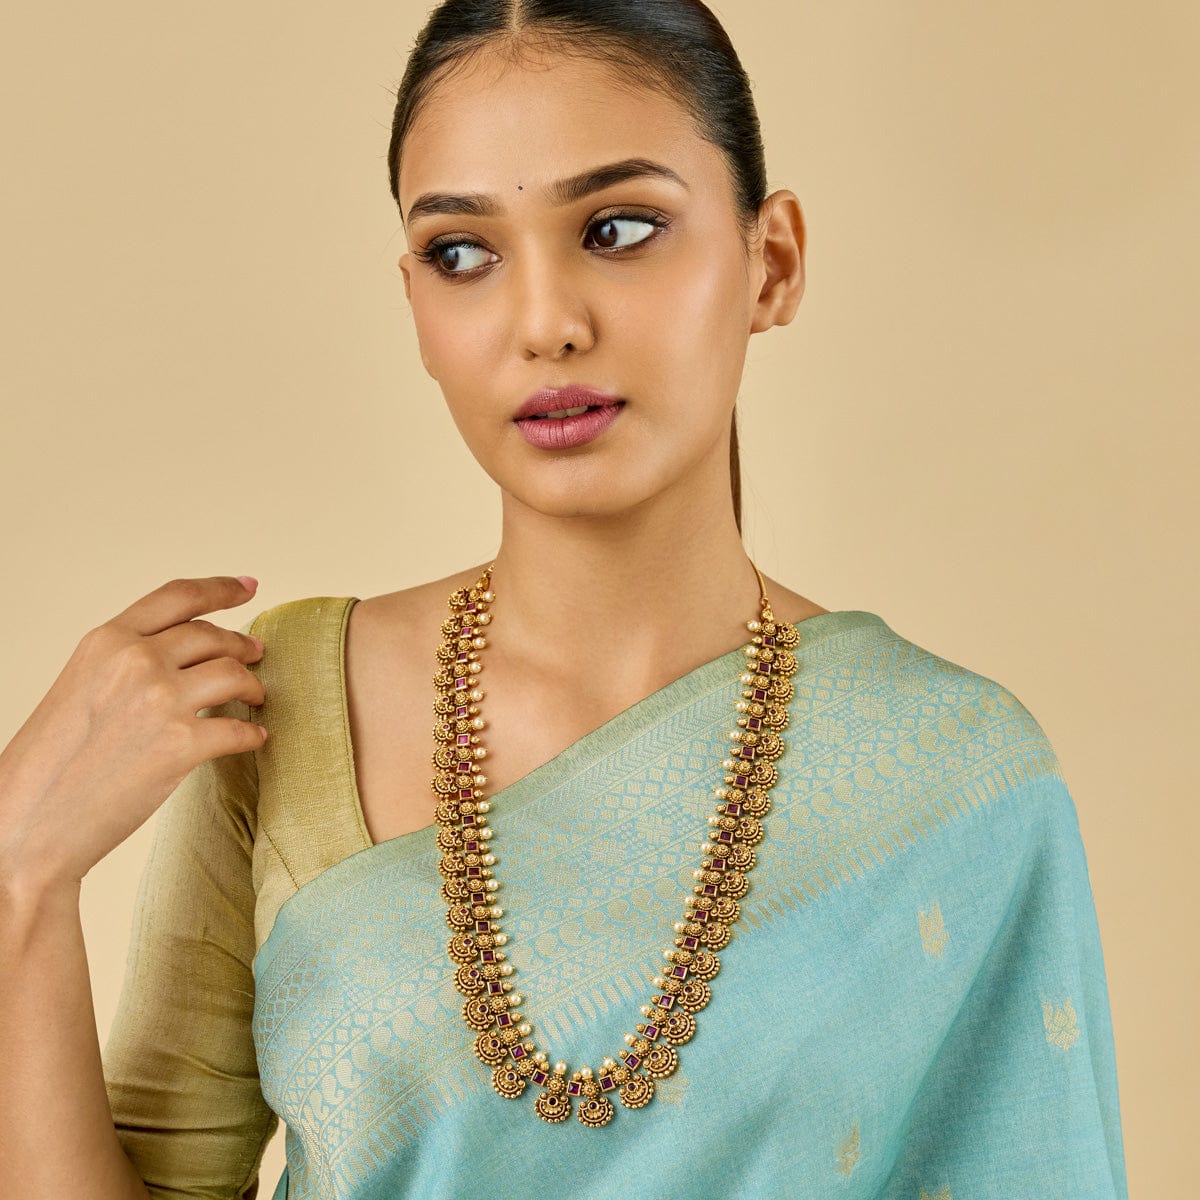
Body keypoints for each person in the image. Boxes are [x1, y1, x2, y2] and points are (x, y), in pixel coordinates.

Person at [0, 1, 1128, 1197]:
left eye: (619, 228)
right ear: (416, 308)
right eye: (463, 254)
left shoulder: (951, 778)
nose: (544, 324)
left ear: (774, 262)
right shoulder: (284, 713)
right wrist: (22, 875)